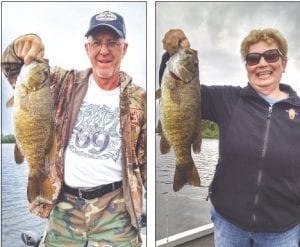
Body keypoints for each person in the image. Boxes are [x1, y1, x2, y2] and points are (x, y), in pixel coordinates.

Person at [2, 10, 146, 247]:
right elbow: (11, 65)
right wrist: (26, 42)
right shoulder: (62, 83)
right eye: (97, 42)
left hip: (116, 207)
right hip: (65, 204)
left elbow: (145, 161)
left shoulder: (139, 99)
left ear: (125, 48)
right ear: (87, 48)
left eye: (112, 42)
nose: (104, 50)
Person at [159, 28, 300, 246]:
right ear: (247, 66)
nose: (262, 63)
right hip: (229, 225)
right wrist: (172, 53)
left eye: (270, 56)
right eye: (253, 58)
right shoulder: (229, 99)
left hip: (282, 232)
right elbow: (178, 93)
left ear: (284, 62)